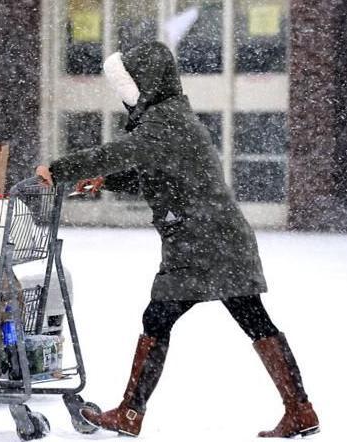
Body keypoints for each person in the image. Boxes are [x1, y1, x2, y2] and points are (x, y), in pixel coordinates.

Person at [35, 42, 319, 438]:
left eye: (128, 85)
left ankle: (131, 413)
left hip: (203, 243)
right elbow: (156, 178)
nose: (124, 96)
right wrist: (108, 181)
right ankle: (299, 410)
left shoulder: (165, 124)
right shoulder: (170, 120)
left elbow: (122, 153)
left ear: (144, 85)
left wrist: (61, 168)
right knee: (248, 319)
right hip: (212, 239)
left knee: (162, 318)